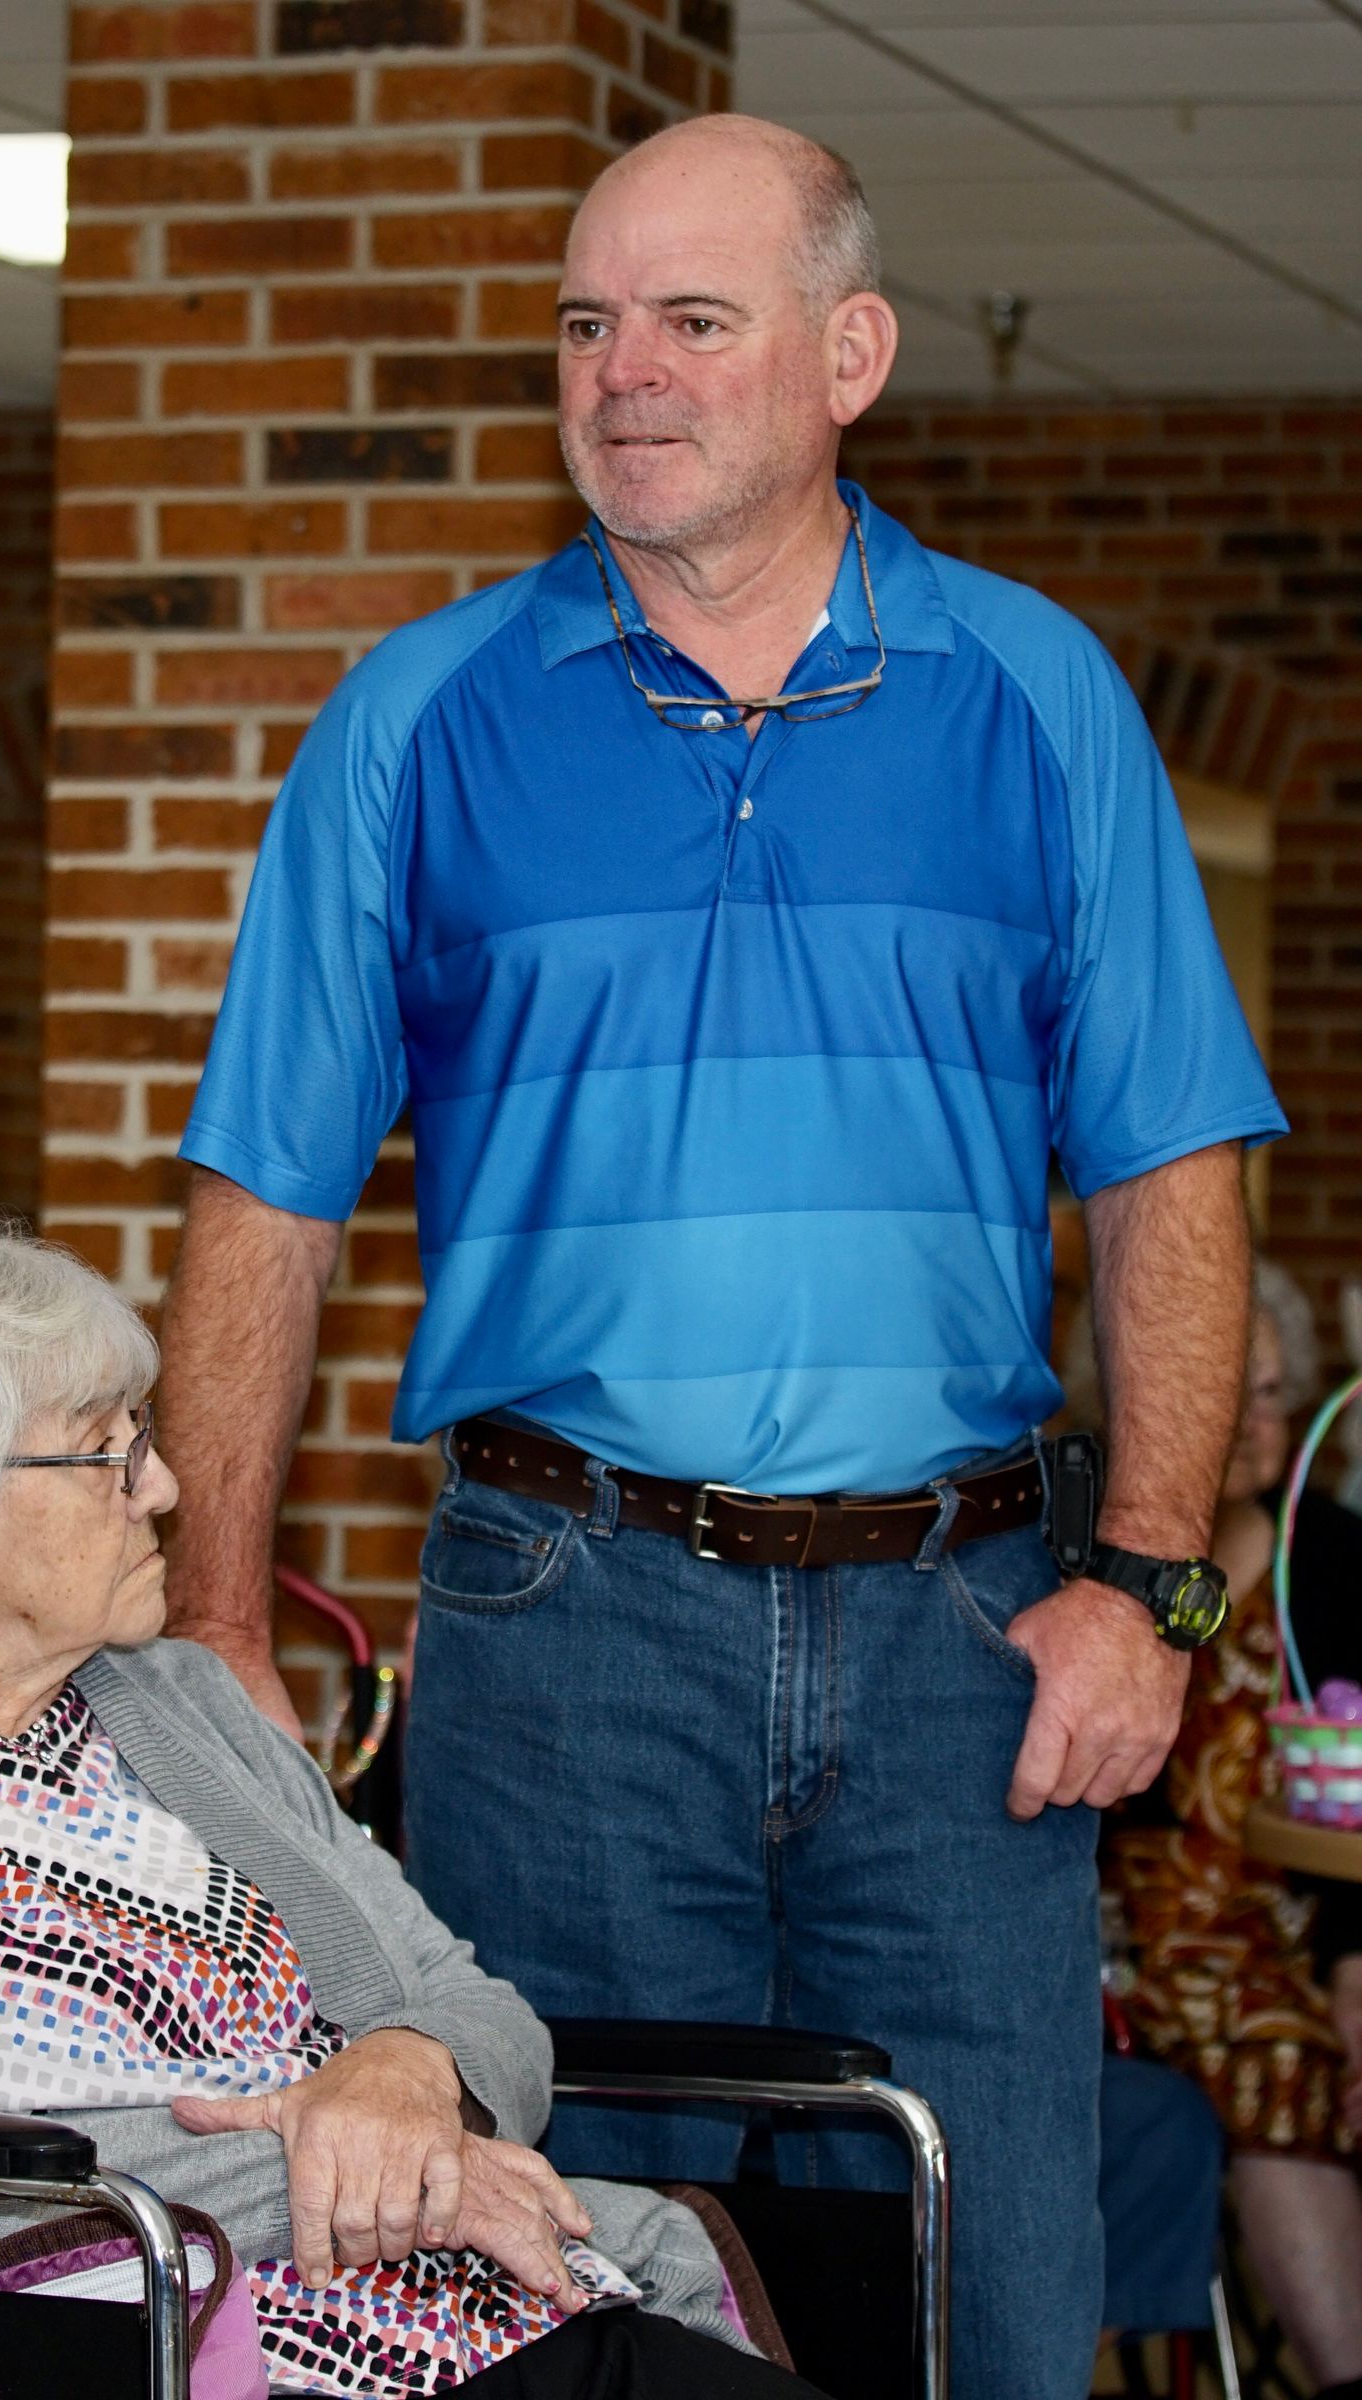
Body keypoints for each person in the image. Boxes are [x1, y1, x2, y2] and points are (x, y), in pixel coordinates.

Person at [156, 111, 1287, 2400]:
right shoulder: (416, 718)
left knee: (987, 2301)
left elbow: (1169, 1170)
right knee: (581, 2292)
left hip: (967, 1641)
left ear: (848, 352)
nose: (624, 372)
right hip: (562, 1630)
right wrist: (205, 1632)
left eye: (693, 318)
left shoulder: (1036, 696)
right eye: (587, 323)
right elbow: (262, 1199)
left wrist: (1154, 1579)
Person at [0, 1213, 819, 2400]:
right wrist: (340, 2170)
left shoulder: (182, 1701)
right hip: (177, 2346)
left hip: (491, 2316)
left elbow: (478, 2006)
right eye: (108, 1452)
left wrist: (405, 2071)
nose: (168, 1484)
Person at [1100, 1265, 1362, 2395]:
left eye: (1271, 1394)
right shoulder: (1110, 1570)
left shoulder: (1339, 1560)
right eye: (1229, 1392)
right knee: (1283, 2058)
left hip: (1293, 1921)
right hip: (1127, 1926)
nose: (1256, 1424)